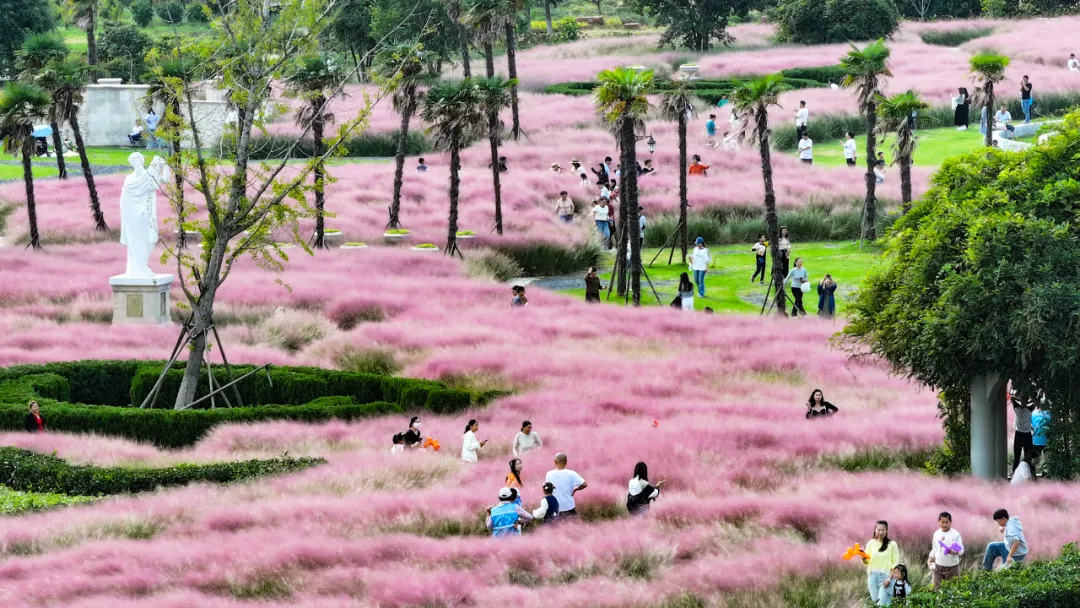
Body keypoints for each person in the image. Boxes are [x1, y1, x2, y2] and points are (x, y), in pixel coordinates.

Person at [862, 520, 900, 606]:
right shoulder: (871, 543)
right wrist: (863, 557)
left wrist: (889, 579)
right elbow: (867, 562)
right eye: (878, 530)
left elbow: (895, 563)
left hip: (886, 577)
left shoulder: (892, 544)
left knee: (881, 604)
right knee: (876, 602)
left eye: (883, 530)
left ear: (887, 530)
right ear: (875, 530)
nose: (881, 532)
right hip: (872, 577)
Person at [928, 511, 964, 590]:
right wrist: (930, 559)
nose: (944, 524)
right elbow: (934, 549)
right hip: (938, 567)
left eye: (946, 522)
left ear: (950, 522)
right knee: (936, 590)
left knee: (951, 591)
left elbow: (961, 551)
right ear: (939, 522)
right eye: (942, 522)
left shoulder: (956, 534)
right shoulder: (936, 534)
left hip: (952, 569)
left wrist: (953, 552)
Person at [545, 453, 587, 517]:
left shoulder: (549, 474)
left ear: (555, 462)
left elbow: (547, 489)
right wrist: (575, 489)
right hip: (569, 508)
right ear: (566, 462)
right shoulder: (572, 474)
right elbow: (584, 484)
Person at [1011, 386, 1036, 476]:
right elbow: (1012, 398)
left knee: (1028, 454)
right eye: (1022, 400)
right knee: (1017, 454)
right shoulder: (1017, 407)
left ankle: (1030, 473)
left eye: (1025, 400)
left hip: (1027, 434)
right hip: (1019, 434)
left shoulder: (1029, 409)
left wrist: (1028, 401)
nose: (1023, 402)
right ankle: (1014, 471)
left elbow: (1036, 402)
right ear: (1021, 400)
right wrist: (1021, 399)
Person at [1031, 402, 1050, 475]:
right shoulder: (1049, 414)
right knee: (1048, 460)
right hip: (1047, 441)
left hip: (1036, 441)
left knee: (1034, 460)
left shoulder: (1032, 414)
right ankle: (1045, 473)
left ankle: (1032, 475)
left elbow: (1030, 426)